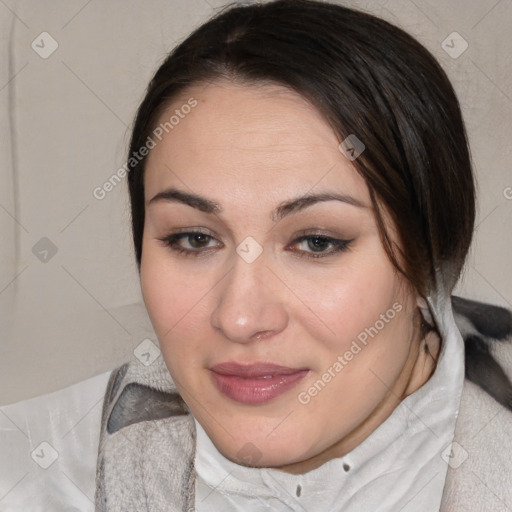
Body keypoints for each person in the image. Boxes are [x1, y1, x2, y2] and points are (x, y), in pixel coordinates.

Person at [1, 1, 511, 511]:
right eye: (194, 239)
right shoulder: (31, 476)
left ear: (432, 260)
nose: (240, 317)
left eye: (316, 242)